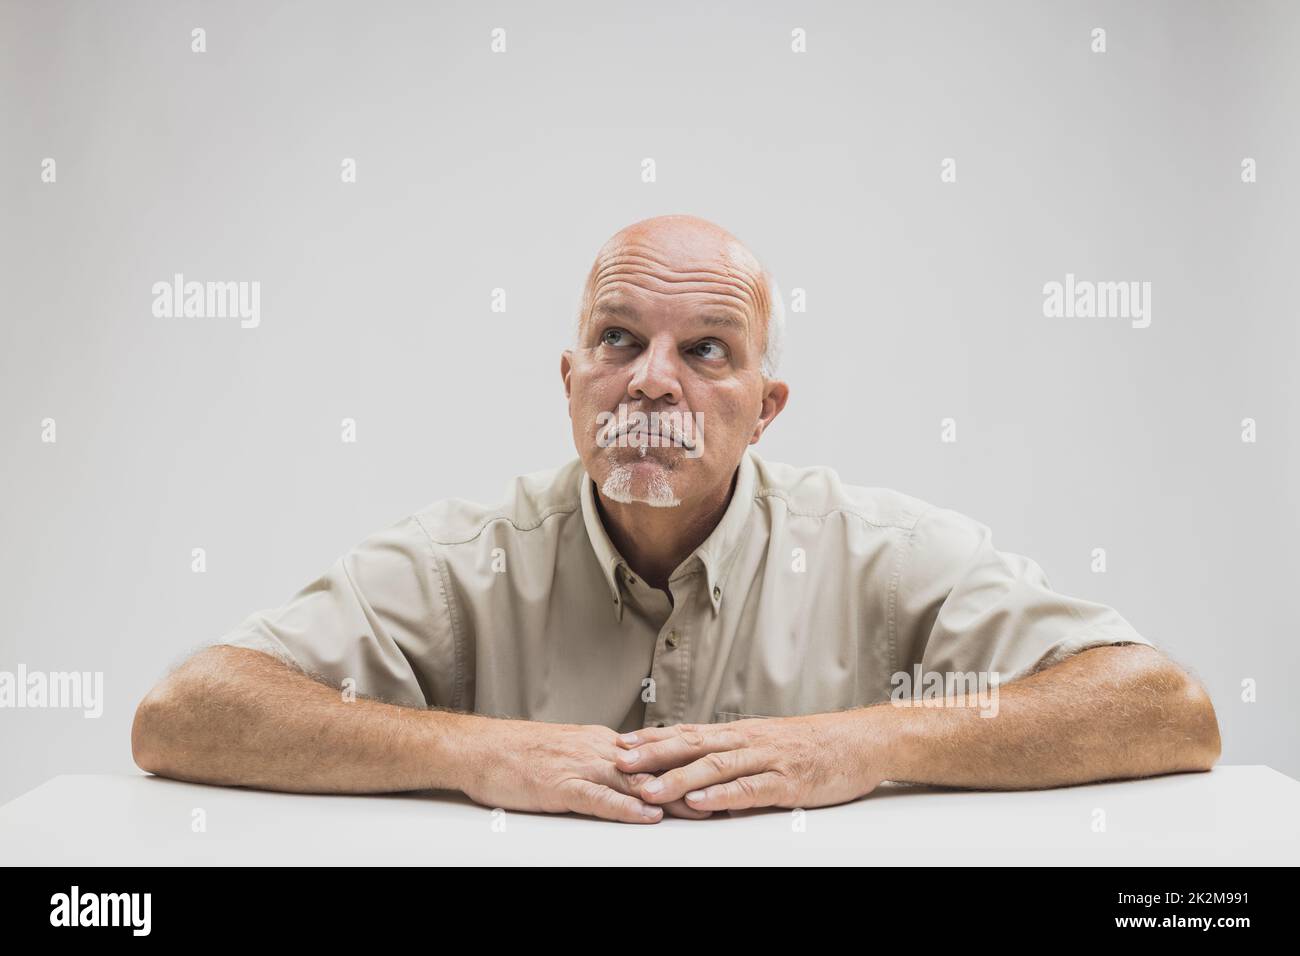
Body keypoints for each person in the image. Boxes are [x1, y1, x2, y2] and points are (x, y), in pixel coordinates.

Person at [132, 214, 1221, 824]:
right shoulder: (469, 558)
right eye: (617, 341)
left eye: (705, 349)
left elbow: (1164, 707)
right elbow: (187, 711)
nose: (651, 382)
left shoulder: (875, 550)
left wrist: (858, 742)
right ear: (570, 382)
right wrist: (472, 752)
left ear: (764, 410)